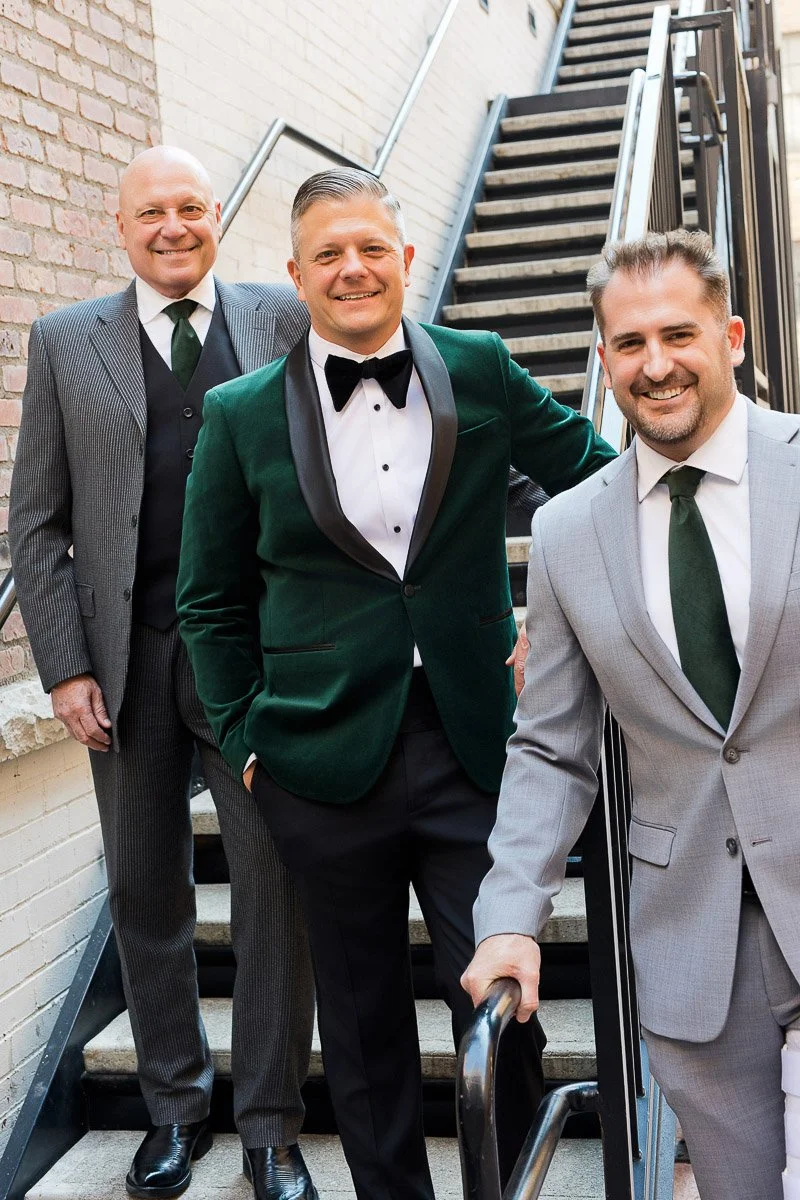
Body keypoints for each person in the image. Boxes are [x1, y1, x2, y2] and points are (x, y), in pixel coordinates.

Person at [175, 166, 616, 1200]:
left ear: (407, 258)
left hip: (472, 745)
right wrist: (246, 745)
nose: (353, 267)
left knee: (503, 1004)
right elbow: (209, 601)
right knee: (364, 1025)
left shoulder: (481, 364)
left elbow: (597, 479)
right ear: (294, 276)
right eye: (327, 252)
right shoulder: (239, 414)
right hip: (318, 763)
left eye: (371, 245)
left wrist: (557, 625)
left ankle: (509, 1184)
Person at [462, 229, 800, 1200]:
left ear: (728, 335)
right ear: (602, 357)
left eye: (677, 334)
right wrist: (508, 917)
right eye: (627, 343)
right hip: (690, 941)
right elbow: (552, 748)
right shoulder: (568, 532)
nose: (654, 365)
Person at [8, 146, 317, 1200]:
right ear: (120, 222)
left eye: (191, 206)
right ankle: (173, 1114)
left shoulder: (283, 315)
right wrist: (62, 669)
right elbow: (37, 523)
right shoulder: (62, 342)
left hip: (260, 667)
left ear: (217, 213)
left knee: (274, 890)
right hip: (125, 664)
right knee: (147, 894)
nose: (173, 225)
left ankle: (272, 1128)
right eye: (153, 211)